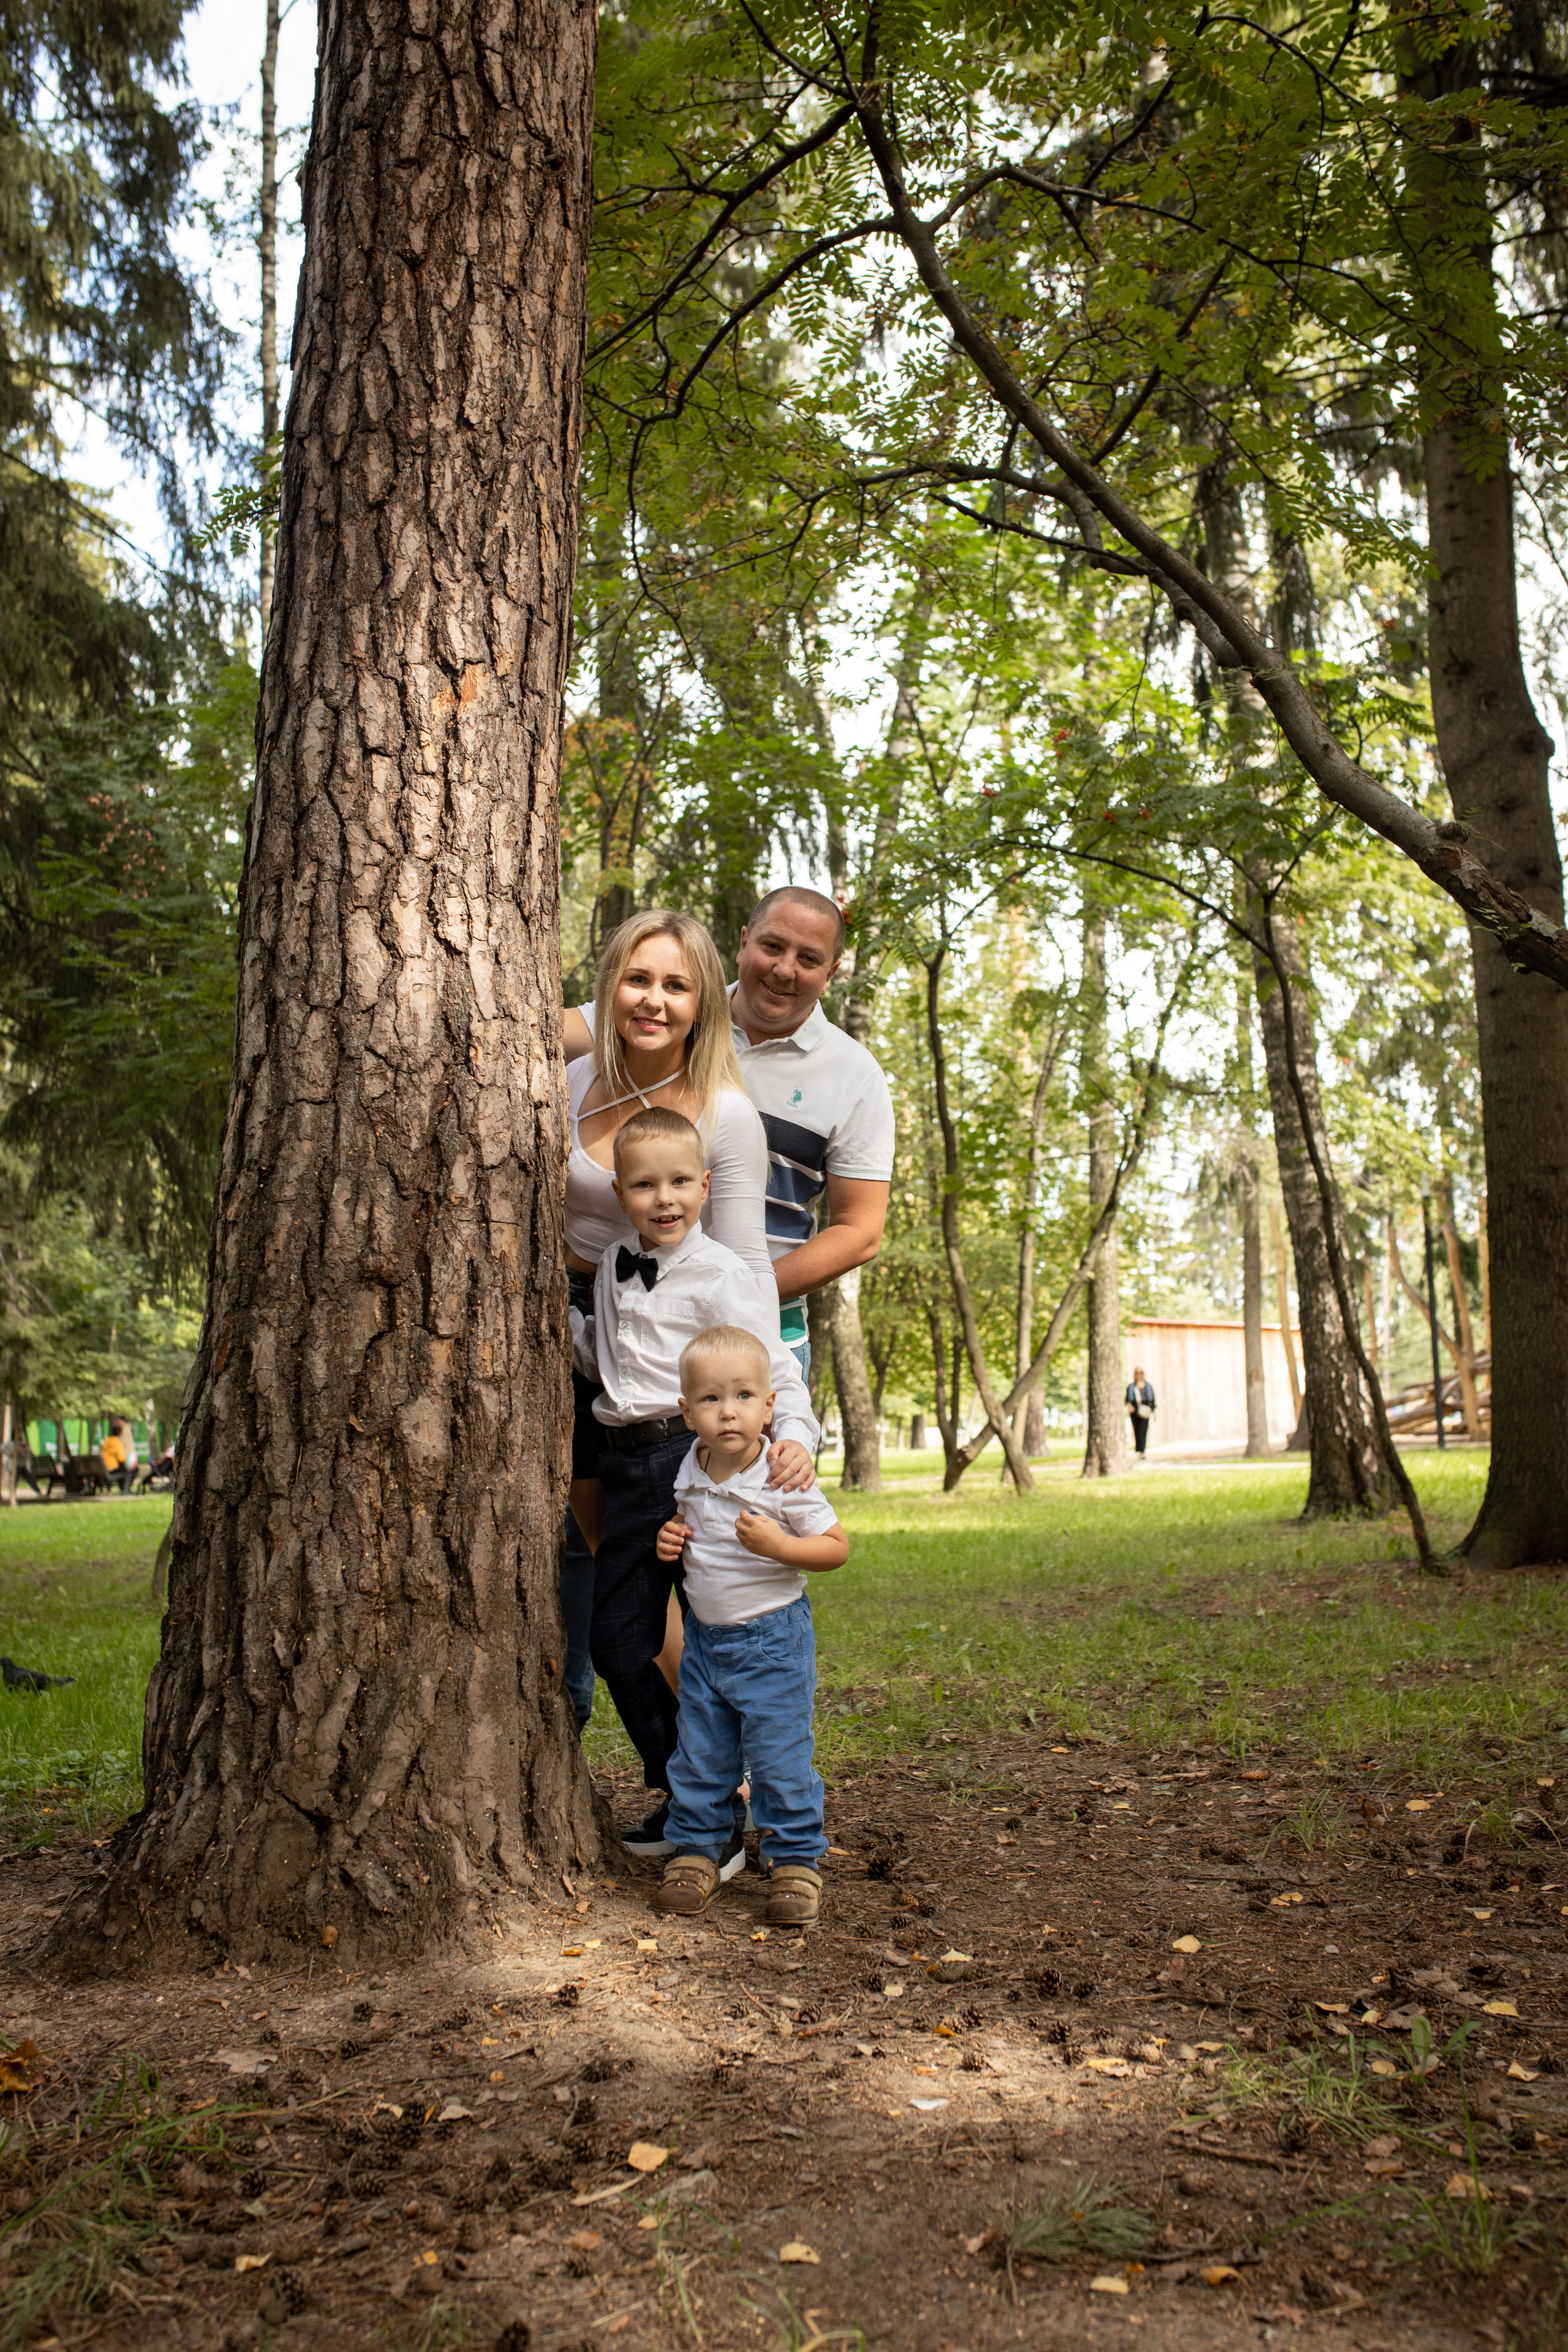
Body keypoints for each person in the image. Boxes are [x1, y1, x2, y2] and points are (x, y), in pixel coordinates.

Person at [575, 1106, 818, 1861]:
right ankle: (702, 1796)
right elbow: (608, 1361)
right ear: (620, 1193)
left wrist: (797, 1438)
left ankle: (712, 1811)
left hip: (692, 1461)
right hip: (625, 1462)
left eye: (681, 1181)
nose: (666, 1198)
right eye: (646, 1185)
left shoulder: (724, 1275)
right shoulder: (615, 1264)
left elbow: (768, 1366)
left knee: (704, 1637)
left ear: (707, 1185)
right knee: (622, 1643)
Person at [560, 909, 773, 1721]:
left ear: (703, 1004)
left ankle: (734, 1782)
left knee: (687, 1583)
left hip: (672, 1368)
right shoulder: (573, 1081)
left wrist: (771, 1405)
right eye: (638, 979)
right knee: (616, 1570)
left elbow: (749, 1263)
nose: (654, 1000)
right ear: (610, 985)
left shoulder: (725, 1113)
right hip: (576, 1344)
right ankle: (690, 1777)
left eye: (677, 985)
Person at [567, 888, 896, 1379]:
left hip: (757, 1323)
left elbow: (860, 1232)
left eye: (808, 959)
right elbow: (535, 1029)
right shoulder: (671, 1009)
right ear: (743, 943)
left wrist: (715, 1293)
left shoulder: (855, 1074)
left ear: (830, 975)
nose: (784, 970)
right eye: (772, 947)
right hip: (615, 1304)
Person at [651, 1322, 846, 1926]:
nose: (727, 1413)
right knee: (700, 1752)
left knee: (778, 1755)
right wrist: (671, 1538)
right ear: (687, 1414)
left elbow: (835, 1547)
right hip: (706, 1642)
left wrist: (781, 1547)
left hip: (772, 1640)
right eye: (710, 1399)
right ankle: (698, 1849)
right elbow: (693, 1527)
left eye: (742, 1397)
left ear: (769, 1406)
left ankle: (794, 1861)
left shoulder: (783, 1474)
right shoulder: (691, 1465)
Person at [99, 1418, 138, 1495]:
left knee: (125, 1470)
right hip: (111, 1468)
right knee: (131, 1470)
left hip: (104, 1468)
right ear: (120, 1433)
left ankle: (123, 1489)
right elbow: (121, 1459)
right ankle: (126, 1490)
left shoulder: (106, 1441)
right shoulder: (117, 1443)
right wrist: (129, 1461)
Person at [1126, 1367, 1156, 1456]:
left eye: (1141, 1373)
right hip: (1135, 1411)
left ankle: (1143, 1450)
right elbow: (1128, 1399)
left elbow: (1152, 1398)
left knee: (1144, 1430)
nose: (1139, 1375)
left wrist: (1152, 1408)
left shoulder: (1148, 1386)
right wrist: (1130, 1406)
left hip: (1145, 1410)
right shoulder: (1132, 1386)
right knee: (1137, 1430)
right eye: (1137, 1373)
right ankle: (1138, 1449)